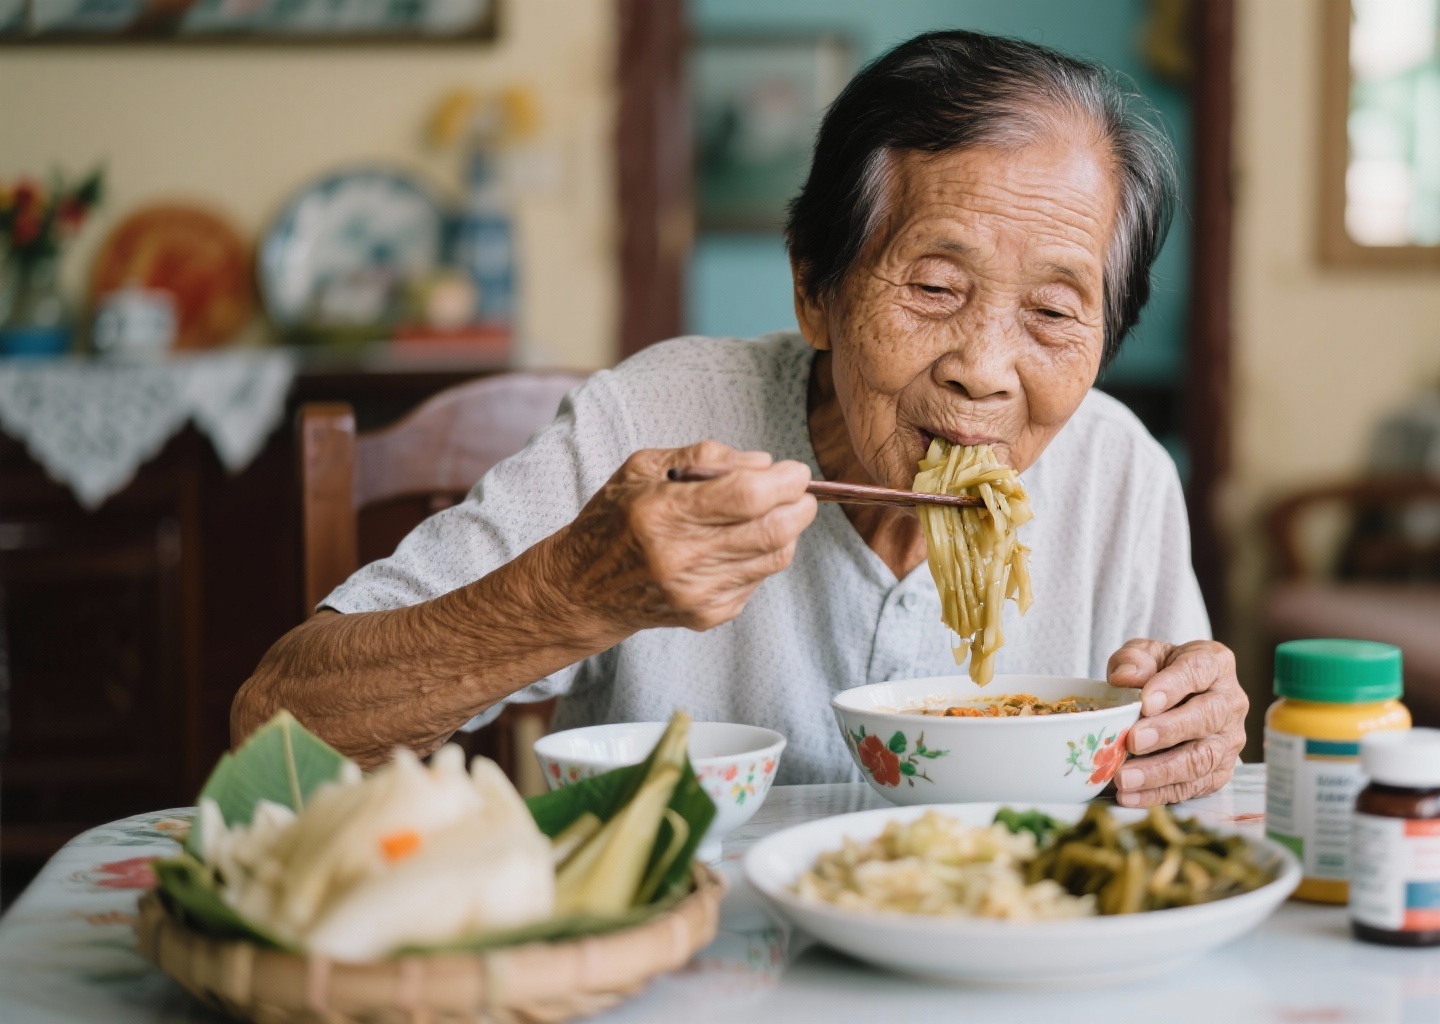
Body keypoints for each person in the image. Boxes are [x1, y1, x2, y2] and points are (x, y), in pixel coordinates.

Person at [233, 30, 1247, 806]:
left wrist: (1187, 736)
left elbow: (1169, 779)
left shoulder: (1120, 472)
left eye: (1054, 313)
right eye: (935, 287)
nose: (984, 371)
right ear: (814, 289)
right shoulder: (652, 419)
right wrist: (575, 593)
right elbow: (277, 729)